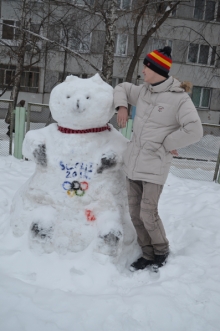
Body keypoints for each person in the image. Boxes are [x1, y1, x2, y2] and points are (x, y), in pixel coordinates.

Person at [114, 46, 203, 272]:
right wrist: (122, 106)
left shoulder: (179, 99)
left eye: (146, 66)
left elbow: (195, 129)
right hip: (133, 163)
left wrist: (167, 143)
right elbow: (122, 87)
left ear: (157, 69)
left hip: (154, 165)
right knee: (134, 213)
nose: (143, 70)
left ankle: (161, 251)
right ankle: (147, 253)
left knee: (147, 212)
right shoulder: (144, 91)